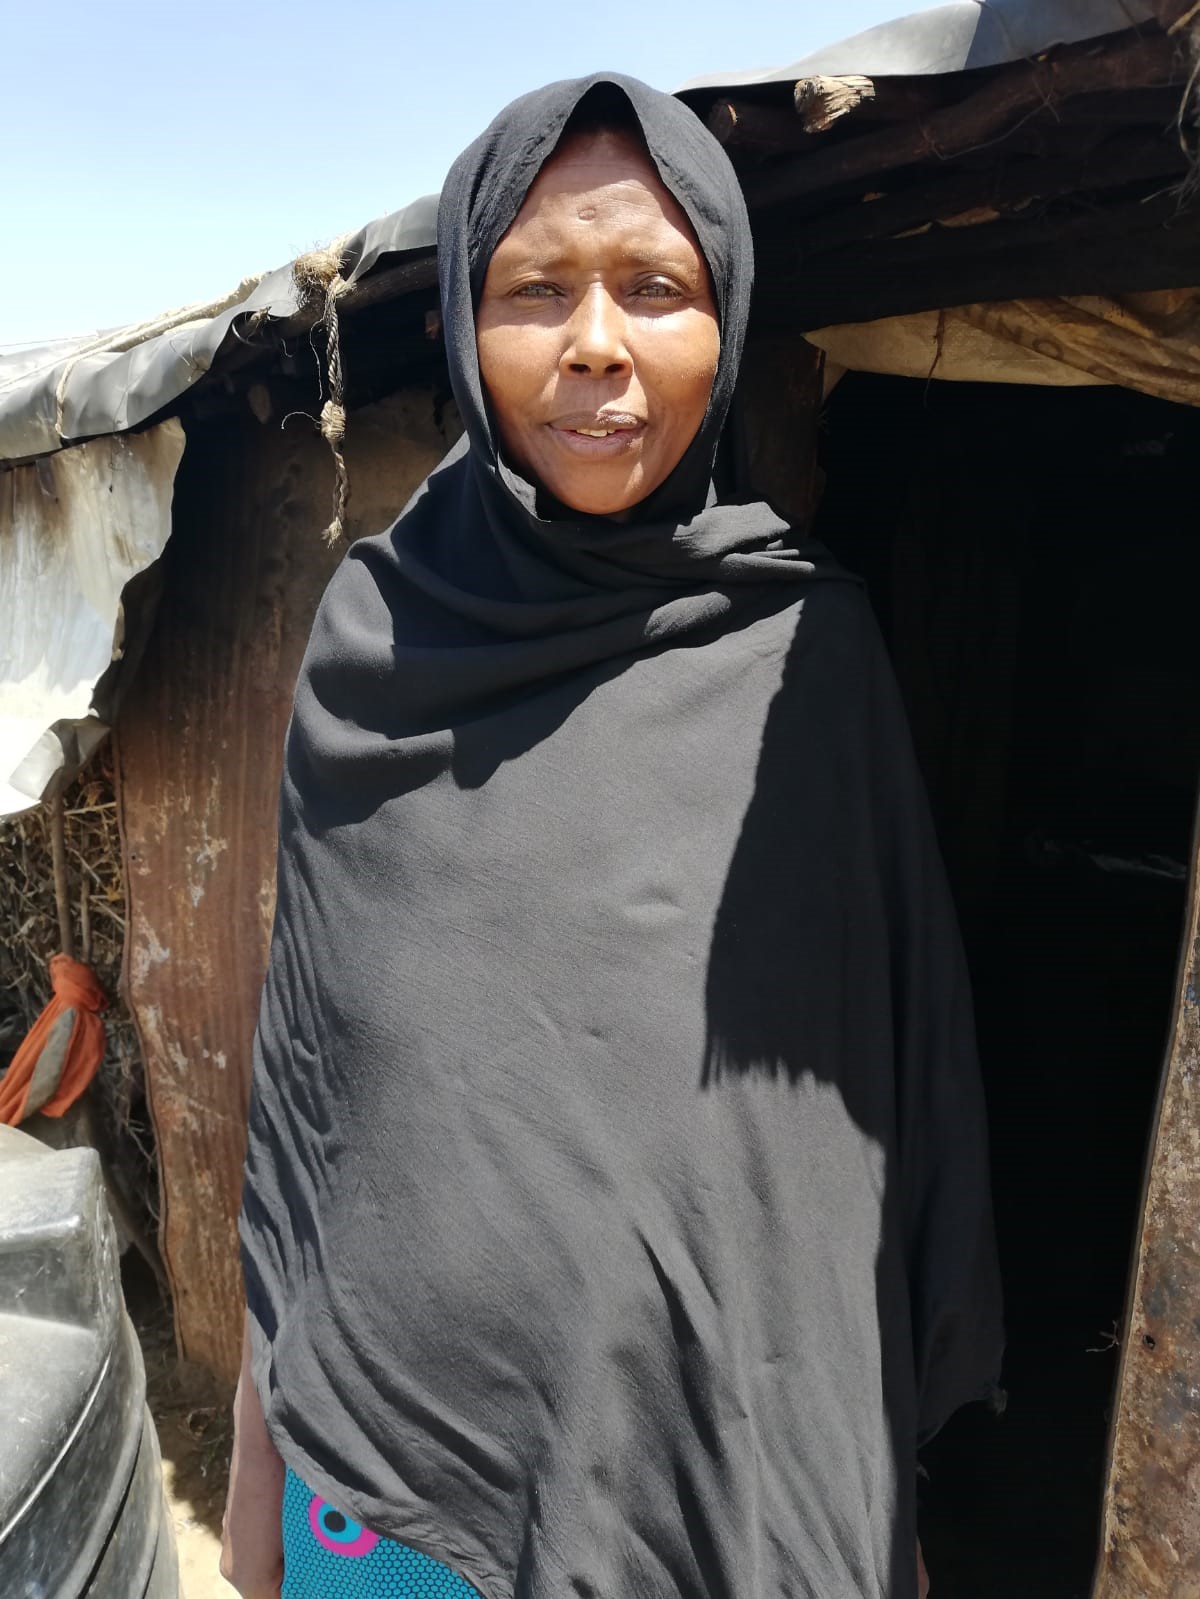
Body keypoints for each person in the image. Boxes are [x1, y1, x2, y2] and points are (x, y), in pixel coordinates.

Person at [221, 73, 1002, 1599]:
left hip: (709, 1479)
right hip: (394, 1492)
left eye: (654, 287)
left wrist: (866, 1474)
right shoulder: (376, 644)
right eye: (535, 290)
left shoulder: (801, 666)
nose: (595, 344)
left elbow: (863, 1111)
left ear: (727, 325)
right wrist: (262, 1437)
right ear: (463, 318)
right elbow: (317, 1079)